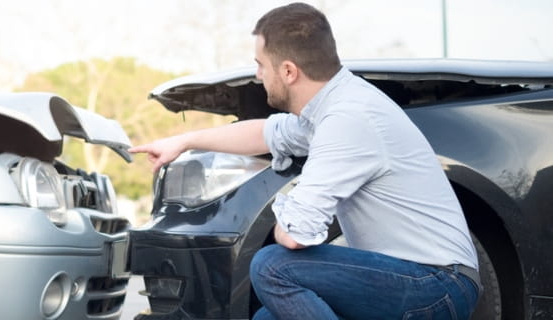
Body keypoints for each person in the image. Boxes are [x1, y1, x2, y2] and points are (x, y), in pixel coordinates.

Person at [128, 3, 479, 319]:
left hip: (437, 286)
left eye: (261, 65)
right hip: (411, 279)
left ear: (289, 71)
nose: (258, 76)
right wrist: (184, 141)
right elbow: (263, 133)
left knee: (272, 267)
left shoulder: (349, 120)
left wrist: (289, 214)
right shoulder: (333, 109)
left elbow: (294, 235)